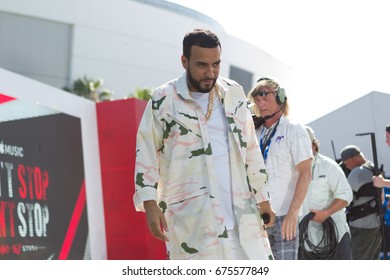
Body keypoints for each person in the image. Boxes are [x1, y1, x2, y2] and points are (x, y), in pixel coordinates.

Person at [133, 28, 275, 260]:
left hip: (243, 219)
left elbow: (250, 148)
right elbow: (146, 153)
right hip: (193, 222)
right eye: (201, 65)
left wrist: (263, 198)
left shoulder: (234, 93)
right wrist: (149, 204)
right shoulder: (164, 99)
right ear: (184, 61)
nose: (210, 73)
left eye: (216, 64)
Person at [247, 77, 312, 260]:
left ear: (281, 97)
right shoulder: (254, 132)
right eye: (257, 99)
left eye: (265, 97)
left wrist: (293, 214)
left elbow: (306, 174)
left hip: (284, 217)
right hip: (256, 217)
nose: (260, 103)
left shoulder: (294, 130)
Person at [298, 126, 353, 260]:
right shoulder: (291, 171)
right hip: (305, 242)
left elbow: (346, 196)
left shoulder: (329, 166)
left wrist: (326, 213)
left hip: (336, 238)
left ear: (314, 145)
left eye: (306, 145)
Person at [340, 145, 384, 259]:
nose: (346, 166)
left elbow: (342, 197)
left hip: (361, 228)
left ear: (352, 158)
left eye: (345, 163)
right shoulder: (372, 167)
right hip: (375, 225)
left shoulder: (357, 172)